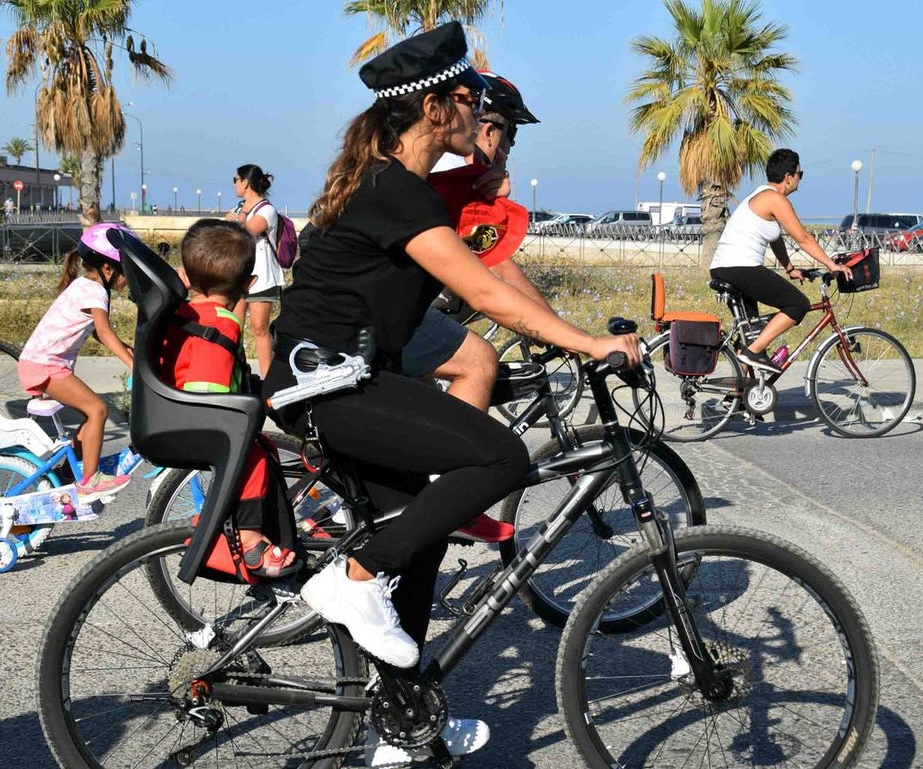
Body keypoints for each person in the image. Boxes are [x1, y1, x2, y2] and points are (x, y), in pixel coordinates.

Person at [261, 22, 640, 765]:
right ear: (435, 109)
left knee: (423, 536)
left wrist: (564, 331)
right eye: (470, 99)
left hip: (341, 379)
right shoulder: (395, 190)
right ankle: (354, 577)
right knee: (500, 457)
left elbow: (487, 280)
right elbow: (483, 291)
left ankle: (402, 726)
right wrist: (592, 343)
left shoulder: (391, 183)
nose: (481, 112)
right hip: (326, 385)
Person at [392, 71, 543, 544]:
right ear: (490, 129)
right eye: (510, 135)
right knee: (477, 360)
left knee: (411, 420)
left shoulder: (443, 167)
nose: (508, 148)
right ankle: (449, 493)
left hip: (384, 303)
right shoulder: (462, 171)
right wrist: (560, 330)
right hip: (382, 310)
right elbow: (496, 271)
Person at [158, 219, 297, 578]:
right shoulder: (221, 326)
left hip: (172, 410)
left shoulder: (184, 312)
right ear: (249, 285)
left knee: (261, 449)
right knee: (256, 461)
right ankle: (251, 542)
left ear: (185, 276)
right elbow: (209, 388)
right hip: (202, 420)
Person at [17, 223, 135, 501]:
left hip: (39, 362)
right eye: (126, 271)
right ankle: (89, 481)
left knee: (90, 412)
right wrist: (133, 365)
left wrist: (133, 352)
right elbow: (105, 334)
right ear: (108, 269)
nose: (127, 279)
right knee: (97, 409)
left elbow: (96, 333)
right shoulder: (96, 292)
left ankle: (71, 471)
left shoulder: (85, 286)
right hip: (44, 365)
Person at [709, 148, 852, 373]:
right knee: (798, 305)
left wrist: (790, 268)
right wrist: (832, 265)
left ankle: (738, 396)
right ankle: (753, 351)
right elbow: (803, 238)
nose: (799, 180)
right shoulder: (775, 199)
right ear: (788, 177)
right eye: (800, 174)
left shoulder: (762, 194)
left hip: (724, 267)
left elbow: (775, 239)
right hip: (740, 267)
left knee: (752, 334)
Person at [225, 164, 285, 378]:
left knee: (259, 327)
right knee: (234, 326)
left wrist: (236, 221)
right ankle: (235, 371)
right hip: (240, 275)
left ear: (245, 182)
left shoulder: (266, 210)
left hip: (262, 277)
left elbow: (247, 233)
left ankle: (268, 377)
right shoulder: (241, 208)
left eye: (235, 179)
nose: (233, 184)